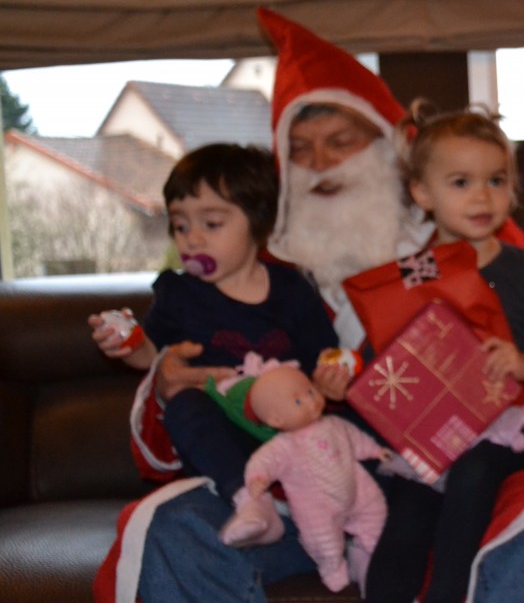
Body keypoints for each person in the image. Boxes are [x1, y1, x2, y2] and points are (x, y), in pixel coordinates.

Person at [94, 8, 524, 603]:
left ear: (391, 151)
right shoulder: (254, 268)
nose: (321, 165)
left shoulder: (465, 244)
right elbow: (193, 392)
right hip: (292, 491)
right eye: (300, 150)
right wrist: (165, 379)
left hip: (443, 478)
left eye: (340, 142)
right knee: (172, 528)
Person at [362, 103, 524, 603]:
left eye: (496, 181)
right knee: (407, 513)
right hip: (430, 432)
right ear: (422, 193)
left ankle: (449, 595)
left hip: (506, 428)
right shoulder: (411, 274)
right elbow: (383, 355)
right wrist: (352, 373)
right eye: (461, 182)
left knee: (474, 472)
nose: (482, 196)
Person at [88, 143, 343, 547]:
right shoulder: (177, 294)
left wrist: (332, 376)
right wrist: (128, 342)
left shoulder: (293, 289)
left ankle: (305, 504)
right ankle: (249, 502)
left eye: (211, 224)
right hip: (223, 438)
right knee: (185, 405)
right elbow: (153, 356)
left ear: (258, 223)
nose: (192, 239)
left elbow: (324, 355)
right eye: (180, 226)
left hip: (289, 432)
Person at [227, 364, 389, 593]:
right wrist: (258, 478)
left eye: (311, 391)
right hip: (317, 508)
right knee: (323, 543)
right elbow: (263, 461)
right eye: (298, 401)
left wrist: (375, 451)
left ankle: (372, 554)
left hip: (356, 491)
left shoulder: (334, 424)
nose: (312, 401)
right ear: (275, 419)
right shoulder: (283, 446)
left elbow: (354, 439)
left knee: (375, 513)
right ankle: (334, 570)